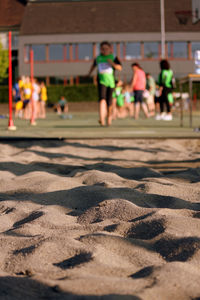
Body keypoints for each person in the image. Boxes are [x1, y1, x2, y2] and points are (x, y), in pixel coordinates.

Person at [87, 41, 122, 126]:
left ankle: (109, 117)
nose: (104, 50)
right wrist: (89, 74)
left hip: (111, 82)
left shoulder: (113, 57)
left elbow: (120, 68)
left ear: (110, 49)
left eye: (106, 49)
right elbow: (93, 66)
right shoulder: (98, 58)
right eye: (102, 49)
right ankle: (101, 118)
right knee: (102, 99)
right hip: (101, 81)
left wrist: (112, 63)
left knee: (109, 102)